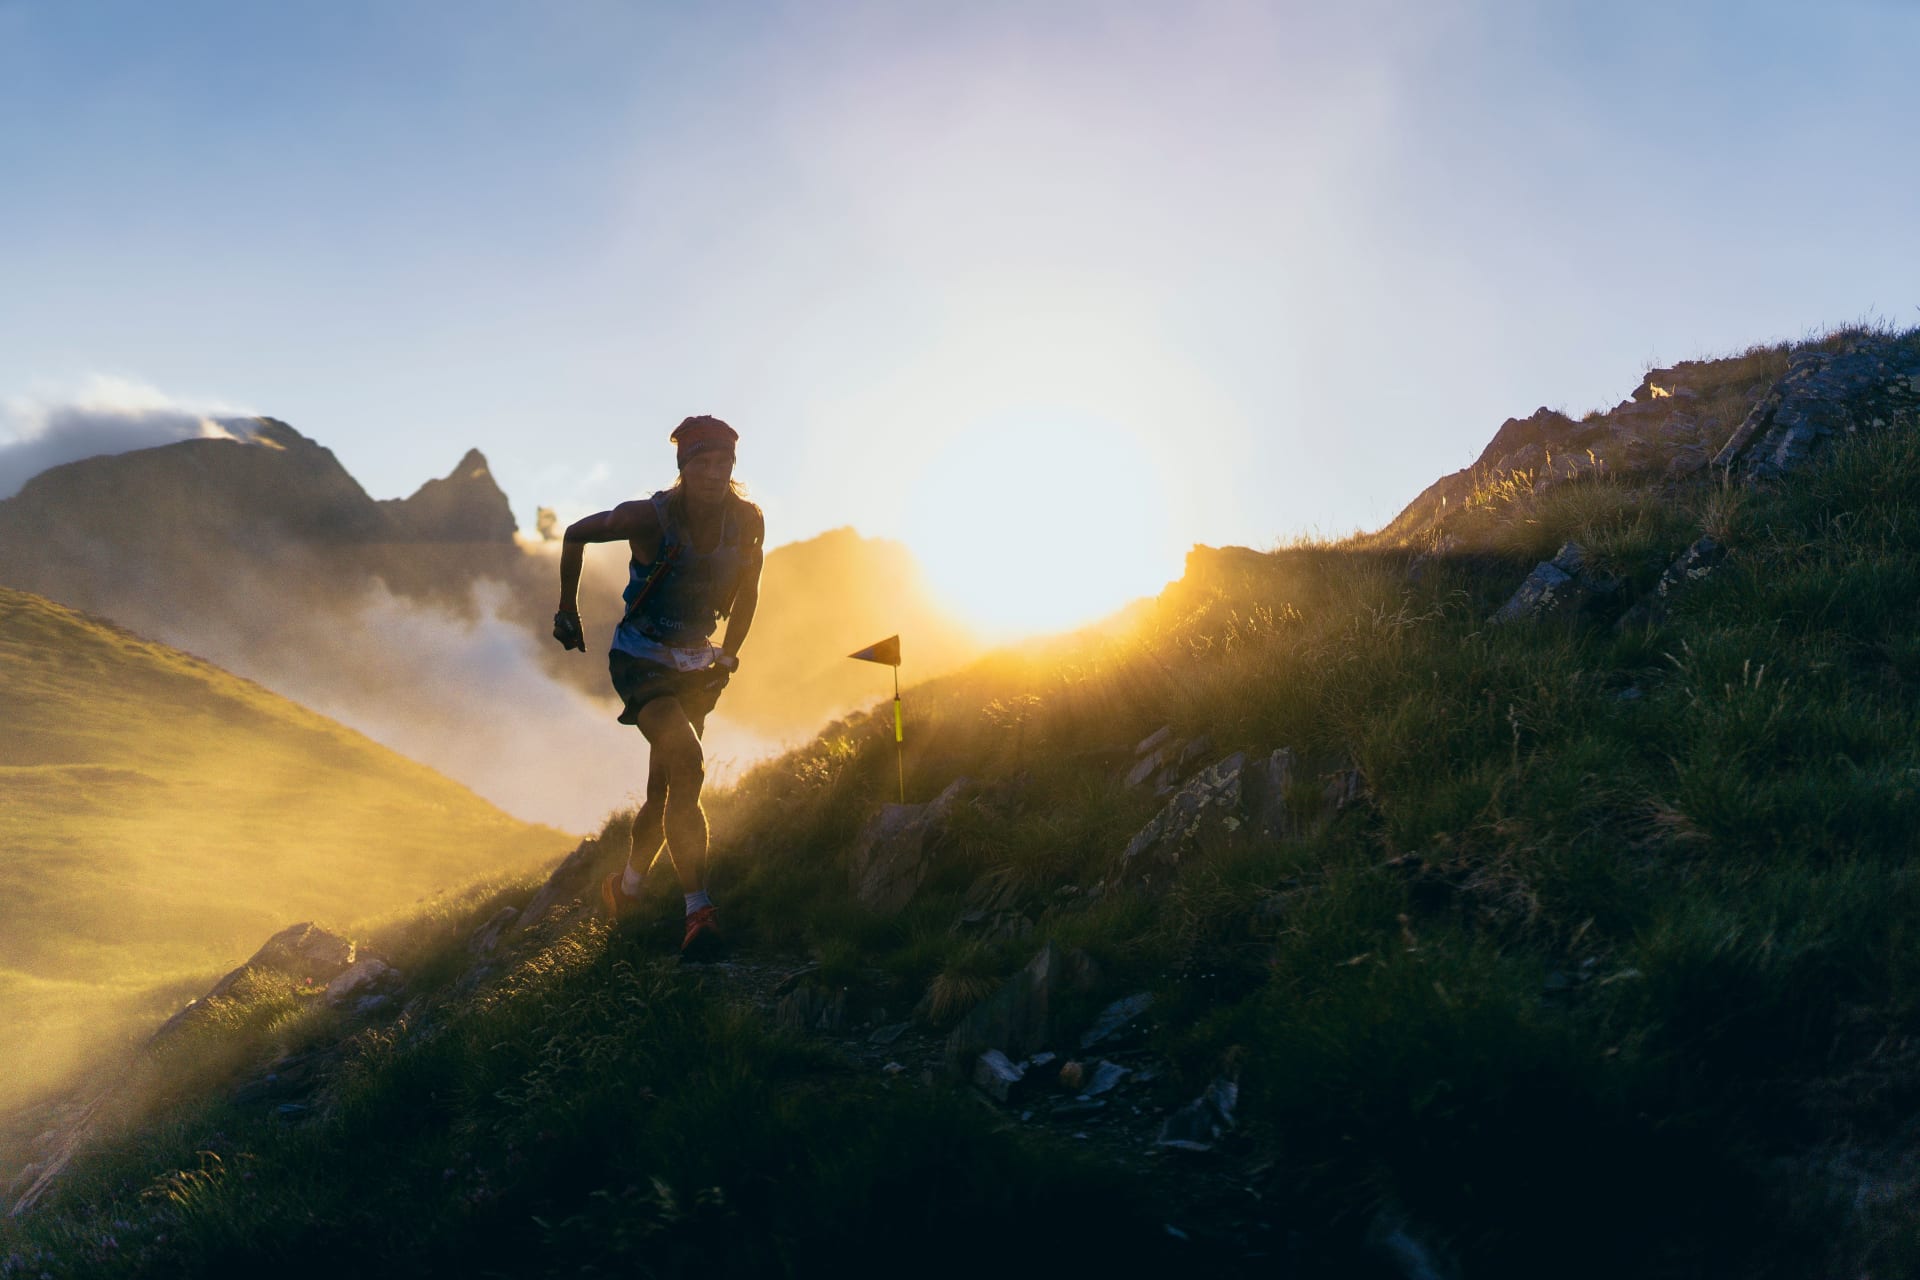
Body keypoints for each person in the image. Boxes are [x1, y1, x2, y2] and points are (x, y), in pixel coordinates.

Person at [552, 415, 764, 957]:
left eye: (725, 463)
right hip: (640, 659)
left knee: (663, 787)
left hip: (697, 664)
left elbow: (747, 594)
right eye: (703, 462)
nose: (715, 473)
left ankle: (626, 888)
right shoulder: (648, 518)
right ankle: (699, 911)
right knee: (689, 764)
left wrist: (730, 653)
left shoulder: (748, 522)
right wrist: (567, 610)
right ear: (683, 466)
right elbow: (576, 534)